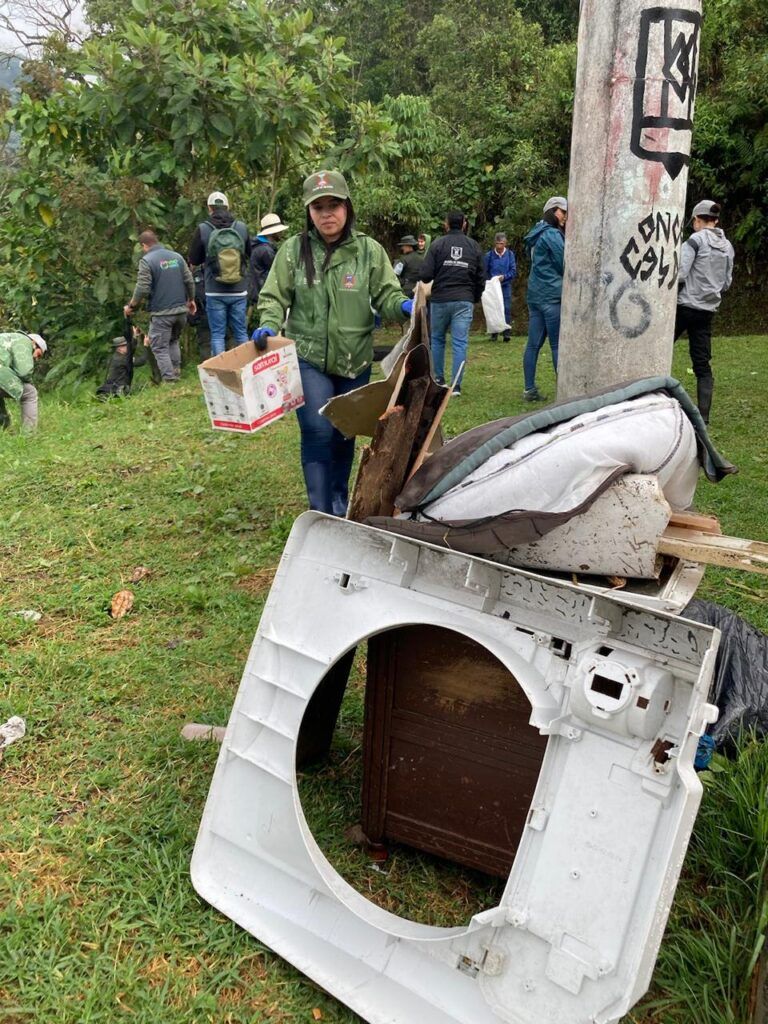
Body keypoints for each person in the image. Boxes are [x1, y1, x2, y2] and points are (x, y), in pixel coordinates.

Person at [254, 169, 412, 516]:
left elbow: (387, 294)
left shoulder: (368, 251)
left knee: (344, 433)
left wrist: (403, 306)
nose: (327, 213)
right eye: (318, 207)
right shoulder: (294, 251)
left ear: (347, 207)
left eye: (334, 205)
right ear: (309, 213)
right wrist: (267, 324)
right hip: (307, 357)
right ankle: (318, 509)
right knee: (316, 428)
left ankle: (339, 504)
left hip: (354, 359)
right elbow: (273, 296)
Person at [674, 200, 734, 424]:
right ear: (716, 221)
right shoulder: (728, 246)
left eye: (695, 222)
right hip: (707, 310)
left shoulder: (694, 241)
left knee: (659, 351)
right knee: (702, 364)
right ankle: (704, 418)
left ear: (697, 220)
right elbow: (726, 283)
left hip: (684, 306)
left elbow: (680, 274)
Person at [418, 210, 484, 397]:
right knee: (460, 343)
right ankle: (456, 387)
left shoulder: (438, 245)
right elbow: (481, 277)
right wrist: (475, 296)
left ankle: (438, 379)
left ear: (446, 224)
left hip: (440, 300)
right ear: (464, 224)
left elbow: (425, 275)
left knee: (437, 340)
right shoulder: (474, 247)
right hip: (464, 300)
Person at [124, 230, 196, 383]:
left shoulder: (147, 260)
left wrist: (132, 305)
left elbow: (142, 287)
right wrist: (191, 299)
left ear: (144, 245)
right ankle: (176, 373)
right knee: (173, 341)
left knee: (159, 347)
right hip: (181, 310)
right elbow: (189, 280)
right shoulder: (176, 257)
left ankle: (170, 380)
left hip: (162, 313)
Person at [188, 191, 252, 356]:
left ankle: (221, 376)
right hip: (239, 289)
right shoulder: (241, 227)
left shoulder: (203, 229)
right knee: (241, 332)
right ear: (228, 207)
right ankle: (246, 369)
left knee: (217, 334)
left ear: (210, 208)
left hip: (214, 290)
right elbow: (248, 254)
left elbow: (194, 260)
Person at [522, 196, 567, 402]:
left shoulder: (536, 233)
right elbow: (563, 263)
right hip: (552, 296)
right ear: (552, 211)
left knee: (533, 345)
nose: (565, 216)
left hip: (535, 295)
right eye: (562, 212)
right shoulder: (551, 235)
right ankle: (564, 393)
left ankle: (529, 389)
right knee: (557, 345)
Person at [248, 213, 288, 328]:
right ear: (273, 232)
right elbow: (279, 272)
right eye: (279, 231)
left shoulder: (259, 246)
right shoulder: (266, 251)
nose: (281, 233)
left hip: (258, 289)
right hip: (265, 291)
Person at [0, 331, 46, 431]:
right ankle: (29, 435)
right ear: (35, 343)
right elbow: (24, 372)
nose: (36, 359)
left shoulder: (7, 337)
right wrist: (30, 382)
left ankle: (5, 428)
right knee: (30, 392)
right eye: (39, 354)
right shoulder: (24, 341)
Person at [484, 231, 517, 342]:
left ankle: (506, 333)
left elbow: (513, 271)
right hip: (493, 287)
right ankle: (494, 333)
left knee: (506, 308)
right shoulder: (489, 256)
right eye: (498, 243)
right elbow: (485, 271)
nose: (499, 246)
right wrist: (491, 281)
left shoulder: (510, 255)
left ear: (505, 243)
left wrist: (504, 277)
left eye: (501, 243)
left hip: (505, 285)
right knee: (493, 307)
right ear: (494, 243)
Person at [392, 235, 424, 299]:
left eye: (403, 246)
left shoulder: (403, 259)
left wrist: (402, 282)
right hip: (419, 290)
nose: (402, 248)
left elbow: (395, 274)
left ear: (409, 246)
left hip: (406, 291)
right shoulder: (421, 259)